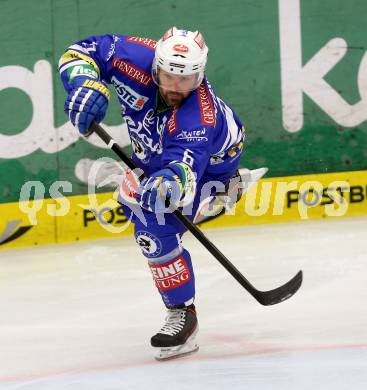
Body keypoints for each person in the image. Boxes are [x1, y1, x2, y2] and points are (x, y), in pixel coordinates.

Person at [59, 27, 246, 360]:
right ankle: (200, 204)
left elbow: (181, 170)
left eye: (186, 79)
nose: (175, 87)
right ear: (155, 64)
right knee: (139, 202)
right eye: (168, 76)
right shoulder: (133, 57)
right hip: (157, 147)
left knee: (152, 225)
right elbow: (80, 52)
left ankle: (182, 313)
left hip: (212, 165)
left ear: (199, 74)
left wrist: (166, 185)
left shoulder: (198, 116)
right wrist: (83, 83)